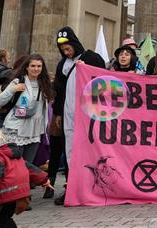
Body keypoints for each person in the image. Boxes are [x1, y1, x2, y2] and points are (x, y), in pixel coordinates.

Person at [51, 26, 105, 205]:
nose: (66, 53)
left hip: (88, 113)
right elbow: (58, 90)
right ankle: (71, 187)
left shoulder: (90, 57)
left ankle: (93, 185)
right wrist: (57, 112)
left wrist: (87, 68)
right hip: (68, 113)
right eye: (63, 50)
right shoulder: (62, 65)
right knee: (70, 150)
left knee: (89, 148)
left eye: (68, 49)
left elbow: (102, 78)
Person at [0, 126, 52, 228]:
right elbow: (28, 167)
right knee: (4, 218)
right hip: (19, 192)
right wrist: (43, 179)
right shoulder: (10, 153)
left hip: (3, 191)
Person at [0, 54, 53, 163]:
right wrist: (12, 89)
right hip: (17, 129)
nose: (36, 69)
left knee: (27, 165)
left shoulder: (45, 84)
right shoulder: (18, 81)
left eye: (39, 66)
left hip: (35, 131)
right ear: (26, 67)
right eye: (33, 66)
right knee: (14, 165)